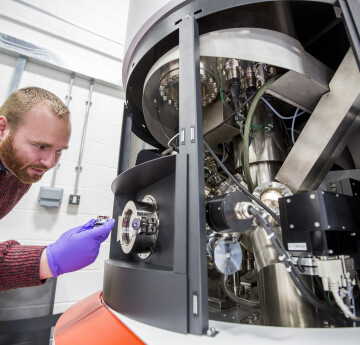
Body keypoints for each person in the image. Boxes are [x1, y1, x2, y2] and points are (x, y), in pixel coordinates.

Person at [0, 86, 115, 291]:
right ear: (2, 128)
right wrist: (48, 259)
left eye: (59, 151)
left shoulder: (19, 172)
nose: (49, 162)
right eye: (40, 146)